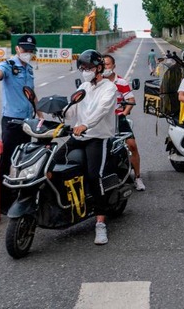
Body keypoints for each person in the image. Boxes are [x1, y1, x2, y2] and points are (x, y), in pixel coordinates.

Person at [61, 49, 118, 245]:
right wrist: (61, 113)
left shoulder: (109, 88)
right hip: (79, 136)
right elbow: (72, 108)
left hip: (97, 137)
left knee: (95, 176)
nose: (85, 71)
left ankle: (100, 223)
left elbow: (102, 110)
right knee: (54, 161)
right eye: (82, 68)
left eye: (89, 67)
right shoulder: (84, 86)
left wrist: (86, 125)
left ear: (99, 68)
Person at [0, 34, 39, 214]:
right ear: (17, 49)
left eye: (31, 50)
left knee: (25, 160)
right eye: (25, 49)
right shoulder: (8, 65)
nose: (28, 53)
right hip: (11, 121)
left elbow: (32, 94)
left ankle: (20, 195)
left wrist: (39, 115)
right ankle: (3, 201)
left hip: (28, 121)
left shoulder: (29, 69)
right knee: (8, 160)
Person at [103, 54, 145, 191]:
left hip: (117, 119)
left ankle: (138, 177)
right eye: (103, 65)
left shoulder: (121, 82)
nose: (105, 67)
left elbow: (131, 101)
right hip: (101, 120)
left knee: (132, 146)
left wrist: (123, 115)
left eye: (108, 64)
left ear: (113, 66)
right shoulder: (97, 82)